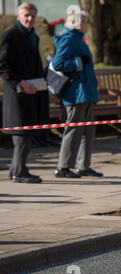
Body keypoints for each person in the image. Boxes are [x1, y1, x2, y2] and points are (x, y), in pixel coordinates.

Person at [0, 2, 49, 183]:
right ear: (19, 16)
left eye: (32, 16)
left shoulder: (32, 35)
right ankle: (19, 172)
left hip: (32, 91)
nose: (30, 19)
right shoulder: (10, 36)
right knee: (21, 134)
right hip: (17, 93)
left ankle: (17, 169)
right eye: (26, 15)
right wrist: (21, 82)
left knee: (27, 134)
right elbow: (2, 65)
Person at [53, 9, 103, 178]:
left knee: (87, 131)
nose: (88, 25)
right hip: (76, 93)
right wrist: (78, 62)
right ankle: (63, 167)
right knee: (73, 130)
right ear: (79, 23)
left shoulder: (78, 39)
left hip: (85, 92)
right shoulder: (69, 39)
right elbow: (58, 63)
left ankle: (83, 165)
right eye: (86, 22)